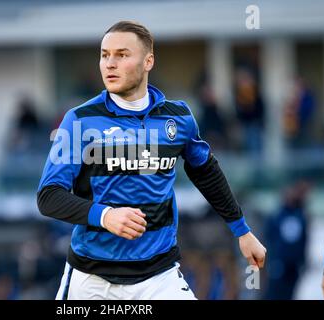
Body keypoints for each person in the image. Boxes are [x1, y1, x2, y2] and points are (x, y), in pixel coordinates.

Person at [37, 21, 266, 300]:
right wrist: (106, 216)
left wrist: (242, 231)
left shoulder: (178, 118)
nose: (110, 63)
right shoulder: (79, 120)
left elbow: (206, 172)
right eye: (104, 54)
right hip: (93, 280)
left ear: (148, 61)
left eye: (122, 55)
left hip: (159, 277)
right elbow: (48, 196)